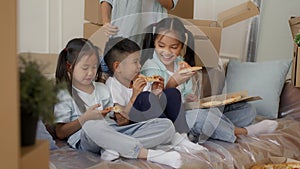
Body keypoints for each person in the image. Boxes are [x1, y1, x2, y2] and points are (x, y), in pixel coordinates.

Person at [141, 17, 279, 143]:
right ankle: (242, 131)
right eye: (161, 46)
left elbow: (187, 94)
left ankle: (215, 127)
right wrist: (173, 82)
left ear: (182, 46)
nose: (167, 52)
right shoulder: (150, 68)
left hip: (190, 110)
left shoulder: (181, 64)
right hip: (176, 120)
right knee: (201, 118)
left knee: (247, 109)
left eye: (174, 47)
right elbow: (156, 106)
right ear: (154, 43)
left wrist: (191, 97)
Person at [54, 38, 183, 168]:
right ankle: (149, 154)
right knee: (92, 125)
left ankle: (113, 147)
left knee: (166, 125)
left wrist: (117, 112)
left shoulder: (102, 88)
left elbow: (121, 122)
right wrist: (84, 118)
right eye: (85, 68)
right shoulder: (63, 94)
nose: (90, 73)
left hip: (114, 131)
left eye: (94, 67)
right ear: (70, 67)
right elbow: (60, 132)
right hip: (88, 136)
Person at [103, 37, 207, 152]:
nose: (139, 66)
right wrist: (135, 95)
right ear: (118, 67)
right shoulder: (112, 85)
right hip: (134, 127)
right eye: (135, 62)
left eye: (139, 61)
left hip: (151, 120)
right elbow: (122, 121)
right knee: (144, 97)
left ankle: (182, 136)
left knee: (172, 93)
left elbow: (151, 107)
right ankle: (172, 137)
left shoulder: (139, 80)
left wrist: (156, 93)